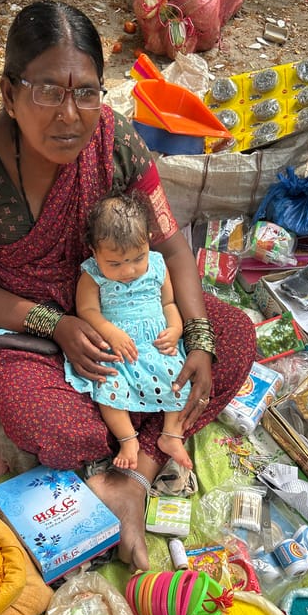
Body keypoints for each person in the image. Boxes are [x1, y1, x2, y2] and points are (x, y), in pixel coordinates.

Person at [0, 0, 256, 572]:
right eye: (48, 90)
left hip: (122, 306)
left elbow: (171, 245)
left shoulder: (114, 138)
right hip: (19, 316)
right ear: (9, 93)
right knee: (53, 428)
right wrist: (56, 322)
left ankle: (133, 472)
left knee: (233, 340)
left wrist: (196, 336)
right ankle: (146, 443)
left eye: (86, 92)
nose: (69, 115)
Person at [65, 192, 193, 471]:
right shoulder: (92, 275)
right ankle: (128, 439)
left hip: (157, 344)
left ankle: (171, 434)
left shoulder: (158, 265)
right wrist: (110, 333)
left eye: (137, 258)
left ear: (148, 239)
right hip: (117, 349)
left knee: (179, 378)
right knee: (108, 388)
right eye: (115, 263)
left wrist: (176, 328)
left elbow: (169, 302)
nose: (129, 270)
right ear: (94, 251)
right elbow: (87, 311)